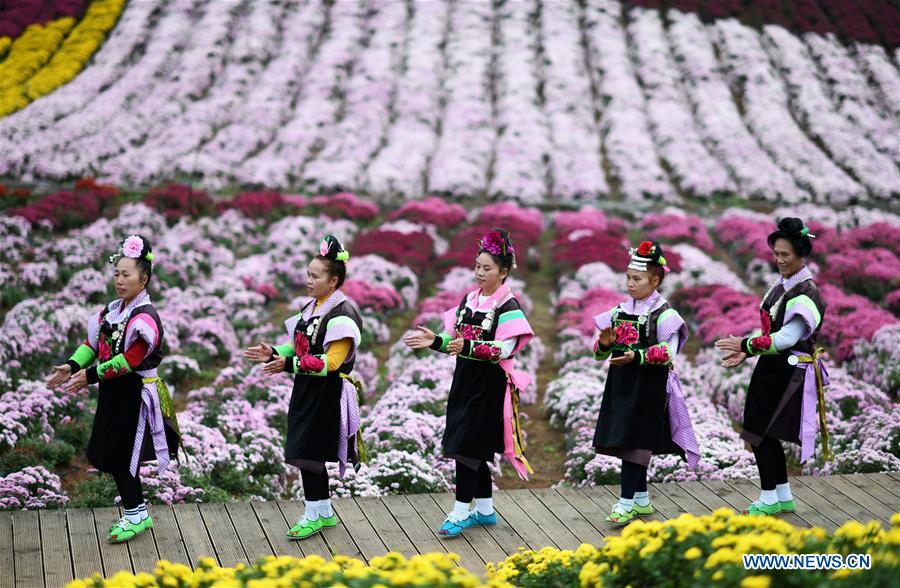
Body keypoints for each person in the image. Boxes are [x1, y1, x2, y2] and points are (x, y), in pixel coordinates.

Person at [47, 234, 179, 542]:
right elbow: (92, 344)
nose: (119, 280)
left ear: (143, 279)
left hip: (136, 394)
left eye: (127, 275)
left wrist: (90, 376)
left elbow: (131, 360)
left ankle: (136, 514)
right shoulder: (111, 311)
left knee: (125, 454)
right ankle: (137, 513)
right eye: (116, 274)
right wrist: (72, 366)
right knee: (115, 451)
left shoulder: (144, 317)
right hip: (114, 392)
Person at [404, 228, 534, 537]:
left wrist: (469, 348)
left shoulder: (507, 307)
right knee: (470, 445)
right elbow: (455, 340)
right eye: (477, 266)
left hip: (489, 384)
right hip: (464, 380)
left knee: (466, 447)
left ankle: (461, 511)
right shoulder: (470, 300)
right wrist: (434, 339)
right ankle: (485, 510)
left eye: (487, 268)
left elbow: (504, 348)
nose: (479, 273)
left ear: (504, 272)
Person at [245, 234, 365, 539]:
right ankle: (323, 512)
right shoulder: (313, 307)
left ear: (334, 280)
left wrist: (287, 364)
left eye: (315, 276)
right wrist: (274, 352)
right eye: (308, 274)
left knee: (309, 454)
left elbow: (331, 362)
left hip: (327, 393)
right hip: (306, 389)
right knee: (306, 451)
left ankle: (312, 514)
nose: (308, 280)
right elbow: (299, 347)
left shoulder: (342, 314)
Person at [716, 218, 828, 516]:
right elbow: (770, 335)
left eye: (786, 255)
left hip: (788, 370)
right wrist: (748, 352)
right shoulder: (784, 286)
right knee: (763, 432)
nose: (779, 260)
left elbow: (786, 338)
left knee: (759, 431)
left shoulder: (806, 293)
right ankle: (781, 495)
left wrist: (746, 345)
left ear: (802, 255)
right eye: (776, 253)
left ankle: (768, 499)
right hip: (772, 367)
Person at [592, 240, 700, 525]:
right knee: (629, 441)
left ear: (655, 280)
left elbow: (668, 353)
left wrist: (636, 357)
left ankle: (625, 503)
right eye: (628, 277)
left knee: (636, 443)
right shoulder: (619, 312)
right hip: (620, 386)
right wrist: (604, 345)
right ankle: (640, 500)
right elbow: (599, 352)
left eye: (637, 278)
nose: (630, 283)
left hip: (648, 388)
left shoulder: (665, 316)